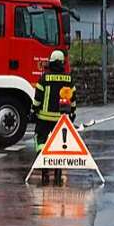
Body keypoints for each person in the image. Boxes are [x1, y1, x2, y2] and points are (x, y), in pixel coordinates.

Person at [32, 50, 75, 183]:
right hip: (61, 119)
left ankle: (44, 169)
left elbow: (38, 98)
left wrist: (34, 110)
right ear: (62, 63)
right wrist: (72, 112)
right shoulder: (68, 79)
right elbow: (72, 98)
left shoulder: (44, 78)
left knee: (41, 141)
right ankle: (58, 172)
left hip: (44, 118)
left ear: (51, 62)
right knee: (58, 144)